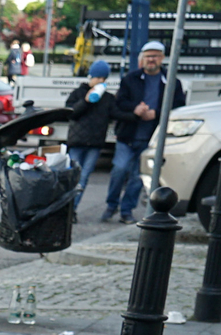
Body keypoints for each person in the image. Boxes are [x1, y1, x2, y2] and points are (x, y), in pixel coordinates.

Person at [103, 40, 186, 224]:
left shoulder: (172, 82)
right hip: (128, 135)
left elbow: (179, 105)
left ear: (162, 58)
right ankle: (111, 205)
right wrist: (135, 110)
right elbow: (119, 104)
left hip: (151, 138)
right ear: (142, 58)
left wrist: (156, 113)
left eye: (155, 56)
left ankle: (126, 211)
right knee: (119, 169)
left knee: (137, 177)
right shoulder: (130, 79)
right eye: (148, 56)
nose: (151, 60)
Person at [62, 58, 115, 208]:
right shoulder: (78, 93)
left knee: (84, 177)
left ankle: (73, 209)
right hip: (77, 142)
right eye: (97, 78)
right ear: (90, 77)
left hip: (95, 143)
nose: (100, 81)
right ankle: (65, 207)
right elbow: (70, 113)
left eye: (103, 79)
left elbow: (116, 114)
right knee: (72, 175)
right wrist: (85, 101)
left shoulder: (107, 98)